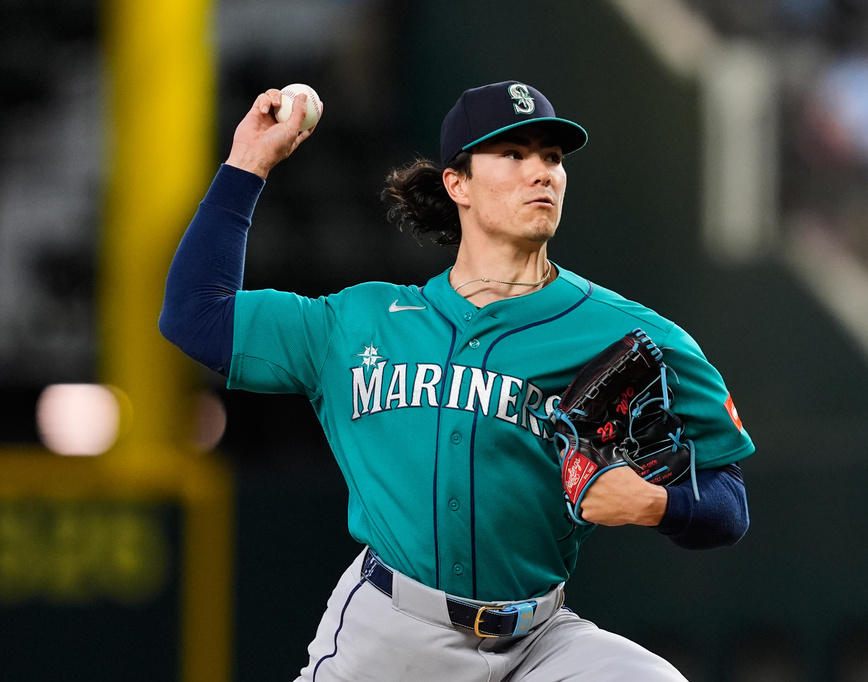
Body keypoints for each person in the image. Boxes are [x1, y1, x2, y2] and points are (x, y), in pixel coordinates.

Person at [160, 80, 755, 681]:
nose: (542, 173)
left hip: (537, 640)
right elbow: (194, 314)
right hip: (391, 637)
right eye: (513, 154)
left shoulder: (627, 332)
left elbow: (729, 503)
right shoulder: (359, 322)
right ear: (457, 183)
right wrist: (249, 162)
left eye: (552, 157)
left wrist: (654, 503)